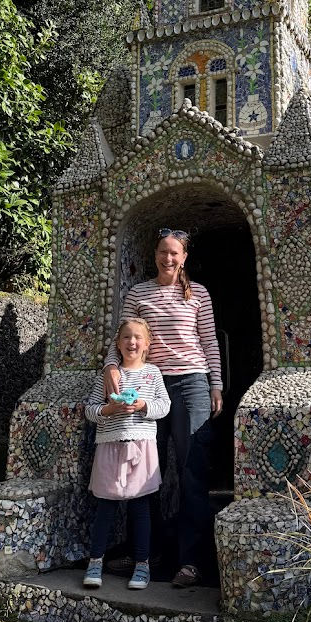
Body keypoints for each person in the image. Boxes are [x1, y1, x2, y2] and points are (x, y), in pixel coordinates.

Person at [104, 228, 222, 587]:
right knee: (144, 469)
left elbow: (209, 341)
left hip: (192, 384)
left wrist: (215, 384)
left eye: (174, 253)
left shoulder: (198, 293)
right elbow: (123, 336)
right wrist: (111, 365)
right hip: (149, 384)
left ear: (184, 257)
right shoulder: (138, 293)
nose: (167, 258)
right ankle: (146, 553)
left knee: (192, 468)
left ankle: (191, 561)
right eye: (162, 252)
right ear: (155, 254)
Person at [83, 317, 170, 590]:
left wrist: (143, 405)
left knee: (140, 509)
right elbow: (90, 410)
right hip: (110, 445)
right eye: (126, 337)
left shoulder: (153, 374)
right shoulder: (108, 376)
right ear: (118, 344)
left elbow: (164, 405)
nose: (132, 342)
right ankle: (95, 561)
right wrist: (107, 411)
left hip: (141, 447)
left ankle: (142, 565)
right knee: (105, 508)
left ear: (147, 343)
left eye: (137, 337)